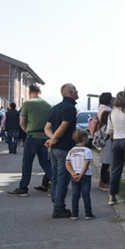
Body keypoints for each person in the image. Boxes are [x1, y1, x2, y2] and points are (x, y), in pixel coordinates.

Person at [8, 84, 52, 195]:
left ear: (29, 92)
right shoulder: (49, 105)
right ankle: (57, 184)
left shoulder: (27, 103)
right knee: (45, 163)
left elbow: (21, 122)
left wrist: (27, 130)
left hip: (32, 135)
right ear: (40, 92)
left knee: (27, 162)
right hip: (45, 136)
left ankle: (23, 188)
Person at [45, 84, 80, 219]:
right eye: (76, 90)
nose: (77, 91)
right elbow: (64, 126)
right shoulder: (70, 108)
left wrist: (52, 139)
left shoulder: (55, 108)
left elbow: (47, 127)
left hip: (54, 149)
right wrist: (54, 139)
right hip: (64, 147)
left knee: (54, 177)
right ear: (70, 92)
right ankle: (59, 208)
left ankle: (56, 203)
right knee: (62, 178)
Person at [65, 128, 95, 220]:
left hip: (74, 174)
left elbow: (67, 163)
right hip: (85, 175)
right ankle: (88, 213)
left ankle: (74, 214)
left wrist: (73, 173)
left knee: (75, 195)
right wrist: (81, 175)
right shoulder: (87, 151)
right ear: (84, 138)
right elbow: (86, 164)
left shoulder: (71, 150)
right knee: (86, 194)